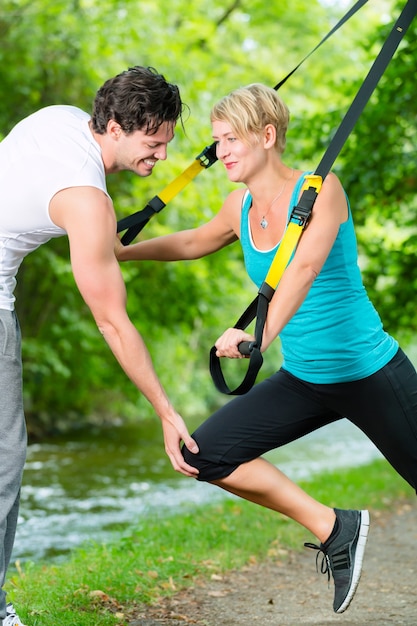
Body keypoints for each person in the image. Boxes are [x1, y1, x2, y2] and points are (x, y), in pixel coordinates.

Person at [116, 82, 417, 615]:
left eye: (232, 138)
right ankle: (335, 527)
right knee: (203, 455)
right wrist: (121, 251)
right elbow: (192, 242)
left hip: (369, 370)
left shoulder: (322, 190)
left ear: (268, 135)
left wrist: (258, 338)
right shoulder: (240, 206)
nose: (222, 150)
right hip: (306, 380)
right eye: (217, 140)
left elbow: (300, 271)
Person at [0, 65, 200, 626]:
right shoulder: (88, 198)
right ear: (115, 127)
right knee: (4, 457)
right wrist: (165, 410)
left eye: (166, 144)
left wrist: (117, 244)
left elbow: (100, 240)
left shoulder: (61, 120)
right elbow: (113, 322)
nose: (160, 156)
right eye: (153, 143)